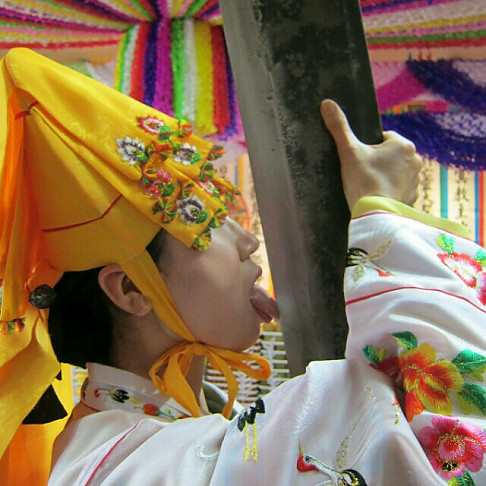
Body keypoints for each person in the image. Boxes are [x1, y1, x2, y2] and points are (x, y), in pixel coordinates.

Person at [0, 48, 485, 486]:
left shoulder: (147, 437)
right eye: (207, 221)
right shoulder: (128, 468)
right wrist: (392, 223)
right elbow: (448, 445)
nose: (247, 241)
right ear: (131, 288)